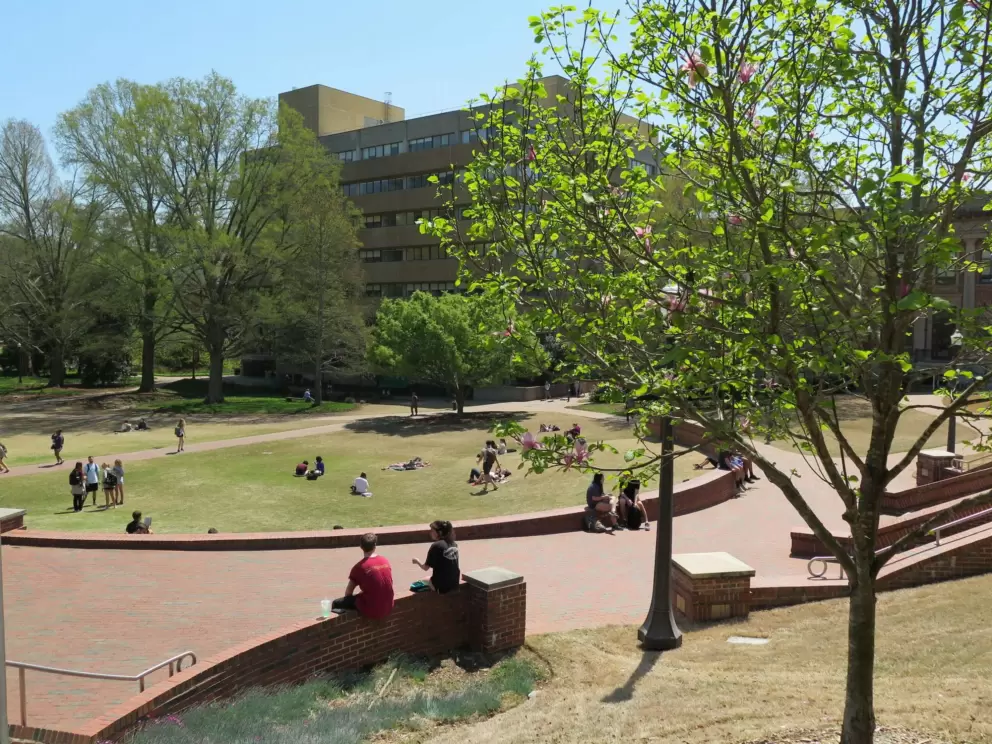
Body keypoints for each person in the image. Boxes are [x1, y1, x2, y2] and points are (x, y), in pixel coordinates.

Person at [331, 533, 394, 618]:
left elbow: (348, 593)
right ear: (375, 546)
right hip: (389, 606)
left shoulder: (359, 567)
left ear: (361, 546)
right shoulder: (385, 561)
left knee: (336, 603)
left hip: (372, 610)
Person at [411, 520, 460, 594]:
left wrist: (417, 561)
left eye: (432, 531)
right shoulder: (454, 544)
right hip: (455, 584)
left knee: (422, 580)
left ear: (439, 533)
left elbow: (425, 568)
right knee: (429, 578)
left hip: (441, 588)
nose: (430, 533)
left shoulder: (436, 546)